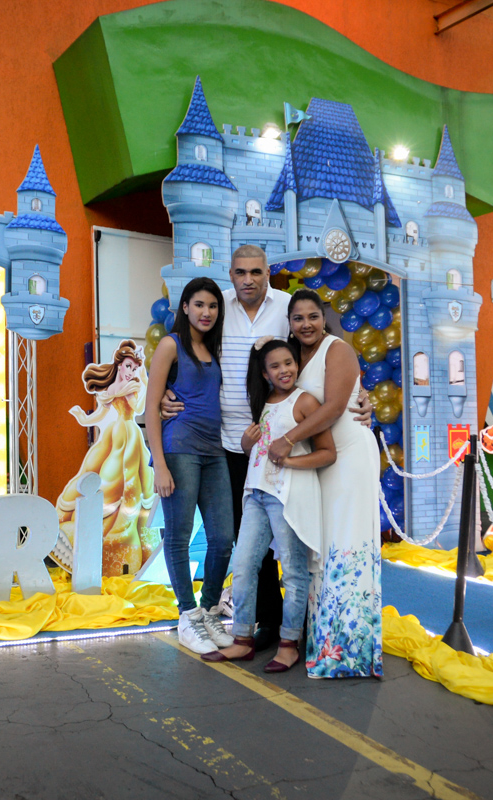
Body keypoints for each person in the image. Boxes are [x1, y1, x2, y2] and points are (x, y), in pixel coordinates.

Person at [162, 245, 373, 651]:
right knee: (248, 545)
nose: (248, 279)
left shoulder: (286, 307)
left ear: (267, 273)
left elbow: (327, 348)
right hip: (230, 441)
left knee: (293, 537)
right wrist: (160, 398)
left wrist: (361, 396)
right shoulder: (216, 306)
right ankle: (267, 623)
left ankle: (301, 625)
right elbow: (181, 352)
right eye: (240, 272)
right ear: (231, 272)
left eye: (256, 271)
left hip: (290, 440)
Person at [267, 289, 382, 679]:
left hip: (350, 457)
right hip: (320, 461)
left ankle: (349, 650)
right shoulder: (293, 356)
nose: (306, 324)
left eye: (313, 316)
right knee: (323, 546)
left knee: (347, 545)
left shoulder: (339, 350)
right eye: (298, 318)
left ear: (323, 317)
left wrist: (287, 439)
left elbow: (334, 406)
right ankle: (321, 638)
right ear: (290, 323)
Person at [207, 339, 334, 672]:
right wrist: (247, 446)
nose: (285, 370)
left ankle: (289, 642)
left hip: (287, 496)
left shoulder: (304, 401)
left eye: (289, 363)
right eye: (275, 366)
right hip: (255, 493)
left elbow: (327, 452)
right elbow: (262, 452)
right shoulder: (263, 403)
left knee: (292, 570)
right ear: (264, 374)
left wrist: (290, 462)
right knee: (244, 566)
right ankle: (242, 640)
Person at [146, 278, 235, 655]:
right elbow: (151, 408)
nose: (206, 312)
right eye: (198, 304)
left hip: (214, 451)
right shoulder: (171, 345)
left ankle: (210, 608)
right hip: (179, 449)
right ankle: (186, 614)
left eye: (212, 306)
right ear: (184, 307)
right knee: (179, 536)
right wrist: (159, 466)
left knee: (221, 537)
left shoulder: (213, 349)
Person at [55, 340, 158, 576]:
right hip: (114, 434)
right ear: (119, 365)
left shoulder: (132, 385)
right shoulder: (116, 387)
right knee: (101, 476)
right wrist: (84, 419)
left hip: (130, 435)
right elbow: (102, 411)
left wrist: (142, 380)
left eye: (134, 367)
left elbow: (139, 406)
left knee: (129, 485)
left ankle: (123, 545)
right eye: (128, 366)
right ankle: (89, 538)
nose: (130, 371)